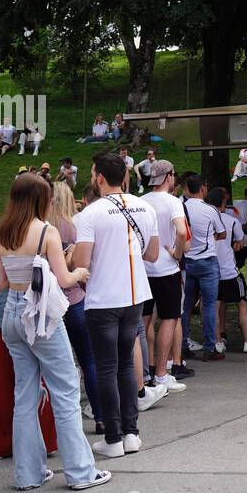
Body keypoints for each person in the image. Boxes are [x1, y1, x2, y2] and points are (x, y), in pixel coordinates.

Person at [0, 174, 111, 492]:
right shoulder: (47, 232)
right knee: (66, 392)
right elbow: (63, 279)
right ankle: (80, 471)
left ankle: (28, 474)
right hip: (41, 318)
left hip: (12, 317)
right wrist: (80, 272)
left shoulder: (3, 232)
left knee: (25, 396)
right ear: (41, 199)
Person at [73, 153, 161, 459]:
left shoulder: (90, 214)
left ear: (99, 177)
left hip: (103, 299)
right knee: (125, 363)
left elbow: (82, 263)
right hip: (135, 295)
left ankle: (112, 437)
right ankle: (131, 433)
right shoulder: (145, 207)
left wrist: (69, 256)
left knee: (107, 367)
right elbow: (152, 255)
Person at [50, 182, 104, 432]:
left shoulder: (40, 226)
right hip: (73, 299)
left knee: (52, 366)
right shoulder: (73, 227)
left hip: (48, 303)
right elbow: (82, 265)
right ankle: (101, 415)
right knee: (89, 359)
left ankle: (53, 422)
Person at [140, 161, 188, 392]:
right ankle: (161, 374)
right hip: (166, 270)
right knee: (169, 319)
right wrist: (177, 254)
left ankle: (141, 376)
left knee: (143, 321)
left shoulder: (141, 201)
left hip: (143, 268)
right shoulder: (173, 202)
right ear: (169, 177)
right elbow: (181, 231)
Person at [206, 188, 247, 353]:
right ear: (224, 202)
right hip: (229, 271)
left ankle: (218, 341)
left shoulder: (202, 220)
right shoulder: (230, 220)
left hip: (211, 270)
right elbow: (241, 241)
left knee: (215, 304)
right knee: (242, 303)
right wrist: (235, 244)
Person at [180, 174, 226, 361]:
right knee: (208, 305)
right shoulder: (210, 210)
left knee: (186, 305)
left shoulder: (180, 208)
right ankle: (209, 347)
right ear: (203, 189)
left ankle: (182, 345)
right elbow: (222, 233)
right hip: (207, 262)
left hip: (187, 262)